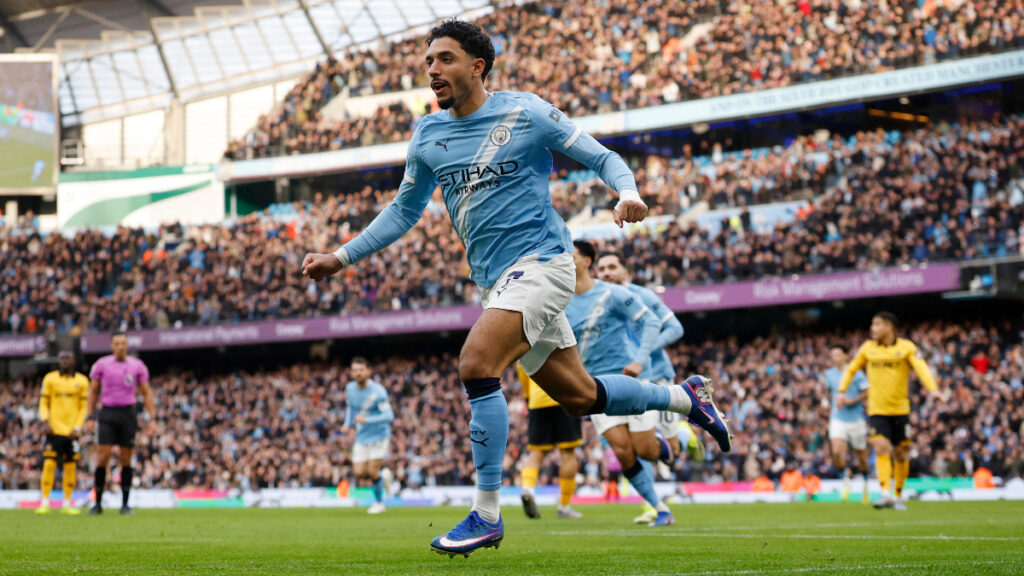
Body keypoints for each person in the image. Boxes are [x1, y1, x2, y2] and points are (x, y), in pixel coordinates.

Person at [301, 19, 731, 557]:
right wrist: (342, 257)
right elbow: (403, 210)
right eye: (429, 60)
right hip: (496, 282)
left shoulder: (526, 111)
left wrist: (626, 192)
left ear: (477, 66)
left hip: (545, 265)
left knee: (476, 363)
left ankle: (486, 513)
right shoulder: (428, 136)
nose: (432, 69)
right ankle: (684, 398)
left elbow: (602, 156)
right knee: (581, 396)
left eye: (445, 59)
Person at [567, 240, 678, 527]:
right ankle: (659, 507)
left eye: (571, 254)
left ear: (586, 261)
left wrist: (641, 359)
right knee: (621, 451)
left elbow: (654, 323)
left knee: (644, 450)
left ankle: (662, 445)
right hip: (595, 387)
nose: (565, 258)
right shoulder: (562, 301)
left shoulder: (613, 294)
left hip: (629, 380)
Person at [594, 250, 705, 523]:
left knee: (666, 454)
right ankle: (651, 506)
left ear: (625, 272)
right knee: (627, 447)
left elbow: (675, 328)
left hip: (656, 378)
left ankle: (682, 437)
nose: (607, 273)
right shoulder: (594, 302)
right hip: (617, 379)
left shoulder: (641, 296)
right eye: (602, 268)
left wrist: (640, 352)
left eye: (612, 267)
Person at [839, 312, 944, 510]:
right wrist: (841, 392)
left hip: (900, 409)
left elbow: (921, 367)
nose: (873, 329)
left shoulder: (906, 347)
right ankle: (885, 492)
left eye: (877, 324)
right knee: (880, 447)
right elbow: (851, 369)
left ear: (889, 327)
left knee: (901, 453)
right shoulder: (867, 348)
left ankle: (897, 495)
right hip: (877, 409)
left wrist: (933, 390)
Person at [87, 332, 156, 515]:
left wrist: (152, 418)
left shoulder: (137, 365)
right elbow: (93, 391)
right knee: (103, 457)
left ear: (127, 345)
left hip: (128, 414)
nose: (120, 346)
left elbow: (146, 392)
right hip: (108, 413)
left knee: (126, 459)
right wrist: (89, 416)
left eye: (123, 343)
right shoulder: (102, 364)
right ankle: (97, 504)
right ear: (112, 346)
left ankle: (125, 504)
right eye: (117, 343)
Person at [516, 363, 583, 520]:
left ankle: (527, 489)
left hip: (537, 401)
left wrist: (529, 397)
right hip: (564, 397)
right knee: (568, 453)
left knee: (536, 453)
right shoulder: (565, 337)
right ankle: (564, 507)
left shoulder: (527, 340)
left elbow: (522, 369)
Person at [35, 350, 89, 515]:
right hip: (54, 430)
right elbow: (43, 403)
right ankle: (45, 502)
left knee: (70, 467)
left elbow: (83, 408)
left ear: (74, 360)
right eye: (62, 358)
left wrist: (77, 428)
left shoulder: (82, 381)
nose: (65, 361)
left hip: (72, 432)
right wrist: (45, 422)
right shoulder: (50, 378)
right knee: (49, 464)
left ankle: (67, 503)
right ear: (58, 361)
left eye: (68, 358)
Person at [342, 357, 395, 514]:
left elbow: (389, 416)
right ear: (351, 372)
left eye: (361, 370)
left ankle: (379, 503)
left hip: (379, 435)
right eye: (355, 370)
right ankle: (383, 476)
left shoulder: (378, 391)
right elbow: (351, 408)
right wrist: (347, 424)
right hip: (362, 436)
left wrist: (367, 419)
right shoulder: (350, 388)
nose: (358, 373)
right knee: (358, 473)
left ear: (368, 371)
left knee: (372, 471)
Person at [823, 346, 870, 503]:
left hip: (856, 419)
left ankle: (865, 485)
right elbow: (828, 391)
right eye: (832, 355)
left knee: (861, 457)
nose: (835, 358)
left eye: (837, 354)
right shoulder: (829, 374)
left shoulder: (856, 372)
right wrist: (826, 402)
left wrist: (852, 400)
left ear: (845, 355)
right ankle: (846, 483)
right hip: (837, 417)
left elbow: (867, 392)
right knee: (836, 450)